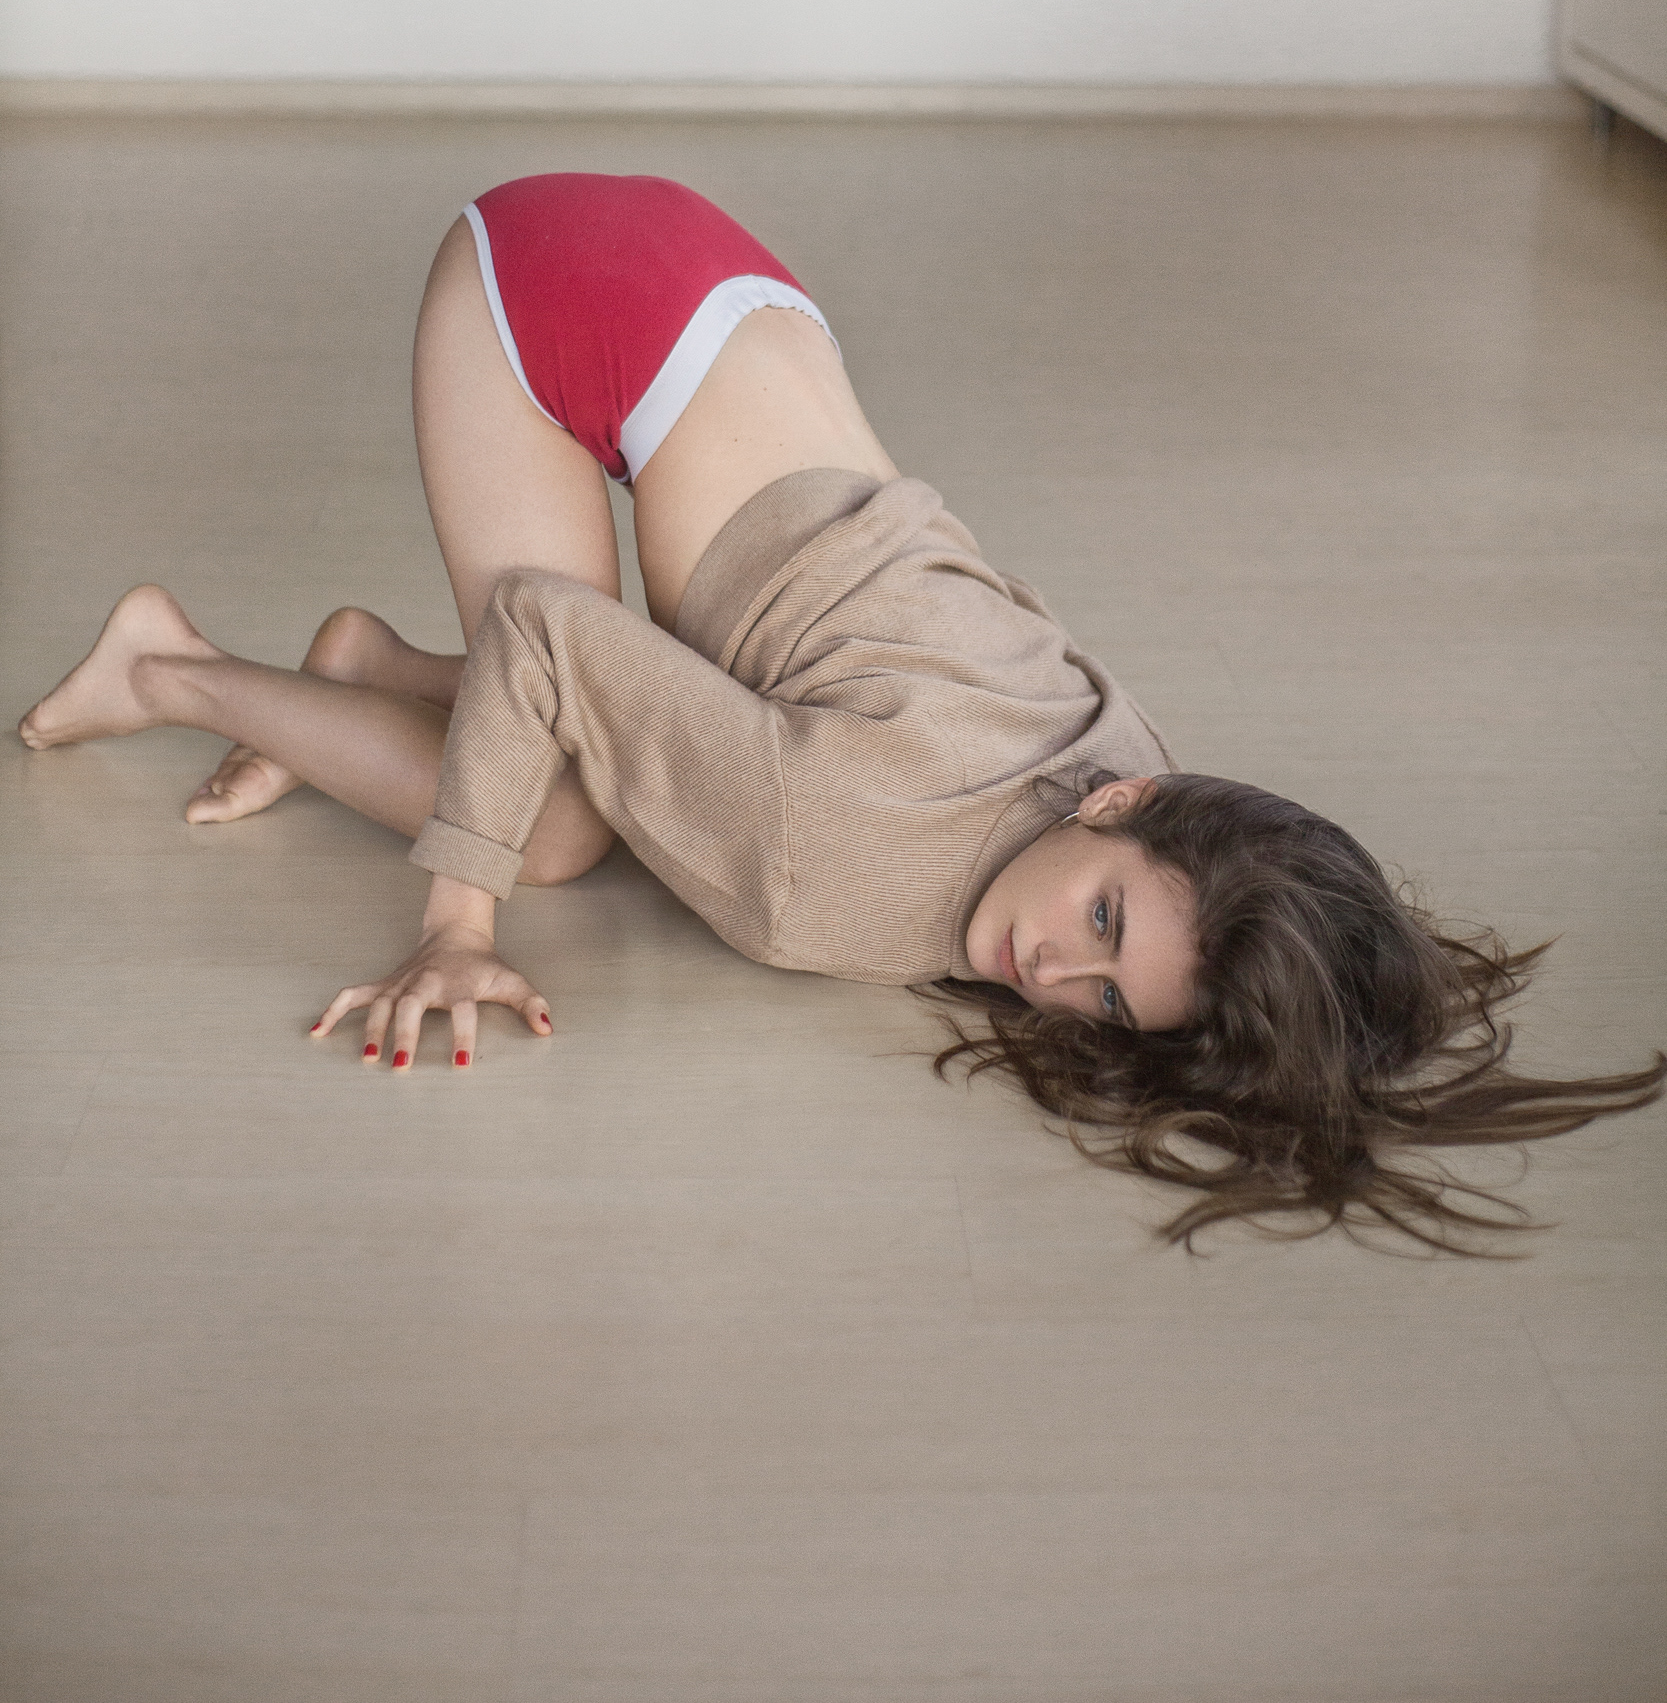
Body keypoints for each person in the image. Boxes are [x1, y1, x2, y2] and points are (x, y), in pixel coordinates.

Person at [19, 173, 1661, 1251]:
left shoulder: (1152, 777)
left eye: (1107, 999)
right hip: (552, 297)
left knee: (631, 763)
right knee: (568, 829)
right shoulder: (833, 857)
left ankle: (368, 673)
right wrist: (457, 923)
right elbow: (543, 630)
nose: (1050, 972)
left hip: (736, 294)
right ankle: (167, 666)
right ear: (1119, 809)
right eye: (1099, 920)